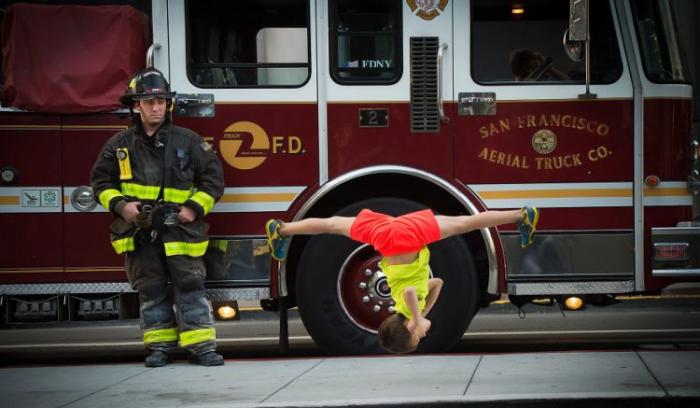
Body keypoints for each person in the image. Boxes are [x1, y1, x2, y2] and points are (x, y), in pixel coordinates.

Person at [265, 206, 539, 354]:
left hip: (405, 238)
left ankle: (521, 215)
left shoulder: (409, 306)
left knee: (469, 223)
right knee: (331, 225)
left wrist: (419, 316)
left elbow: (410, 291)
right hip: (387, 235)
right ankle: (282, 229)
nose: (424, 333)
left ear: (410, 326)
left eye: (419, 336)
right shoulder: (407, 306)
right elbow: (438, 282)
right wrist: (425, 309)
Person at [91, 68, 225, 367]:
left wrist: (193, 208)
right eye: (149, 102)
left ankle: (201, 346)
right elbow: (101, 183)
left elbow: (213, 181)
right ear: (135, 105)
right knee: (150, 290)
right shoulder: (119, 146)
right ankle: (159, 347)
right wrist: (122, 207)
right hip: (140, 232)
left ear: (169, 105)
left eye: (162, 102)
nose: (156, 108)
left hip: (181, 232)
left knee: (191, 286)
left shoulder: (189, 141)